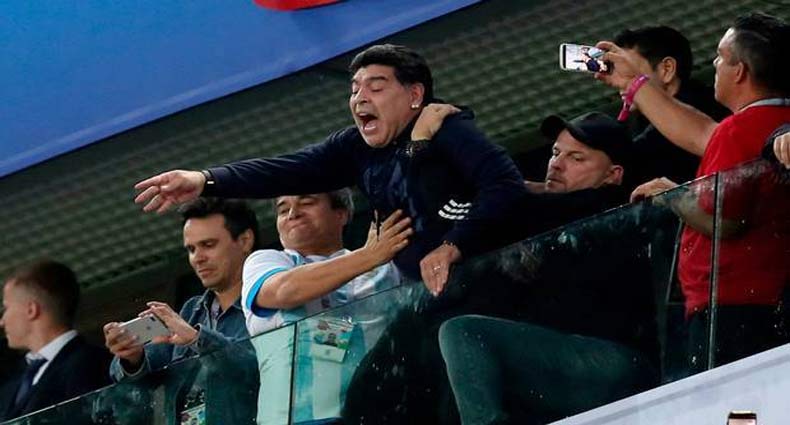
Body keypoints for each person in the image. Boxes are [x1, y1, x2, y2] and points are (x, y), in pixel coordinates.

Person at [132, 44, 528, 297]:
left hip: (490, 278)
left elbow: (505, 186)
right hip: (424, 294)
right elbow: (285, 171)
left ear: (414, 94)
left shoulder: (447, 127)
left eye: (375, 87)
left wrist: (451, 246)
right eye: (354, 89)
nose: (359, 98)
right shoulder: (354, 147)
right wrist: (204, 179)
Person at [344, 111, 659, 425]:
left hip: (614, 364)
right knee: (434, 340)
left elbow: (491, 205)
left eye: (576, 158)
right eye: (555, 152)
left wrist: (423, 147)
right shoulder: (542, 212)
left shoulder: (607, 205)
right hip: (556, 364)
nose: (557, 164)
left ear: (613, 174)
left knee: (464, 332)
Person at [598, 12, 790, 369]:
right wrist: (635, 83)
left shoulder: (738, 130)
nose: (714, 64)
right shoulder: (774, 122)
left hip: (732, 310)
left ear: (740, 71)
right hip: (768, 303)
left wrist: (672, 196)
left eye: (720, 56)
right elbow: (702, 132)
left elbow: (725, 221)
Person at [242, 189, 404, 424]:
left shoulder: (384, 269)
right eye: (283, 209)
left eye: (306, 203)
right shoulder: (267, 261)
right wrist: (368, 256)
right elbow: (284, 291)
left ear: (342, 214)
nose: (293, 214)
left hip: (378, 415)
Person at [104, 198, 259, 423]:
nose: (198, 258)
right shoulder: (190, 311)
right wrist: (132, 355)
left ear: (245, 240)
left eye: (208, 245)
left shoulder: (266, 302)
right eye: (191, 249)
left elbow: (254, 371)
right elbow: (130, 378)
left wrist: (197, 339)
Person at [612, 25, 729, 187]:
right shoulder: (635, 125)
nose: (620, 80)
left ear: (666, 69)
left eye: (630, 70)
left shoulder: (710, 108)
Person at [0, 260, 111, 422]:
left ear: (31, 310)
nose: (2, 321)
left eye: (6, 308)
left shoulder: (91, 363)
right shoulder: (16, 381)